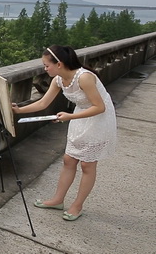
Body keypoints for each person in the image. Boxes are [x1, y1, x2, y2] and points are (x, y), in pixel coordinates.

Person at [11, 45, 117, 221]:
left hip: (99, 118)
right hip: (79, 115)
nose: (45, 69)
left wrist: (69, 116)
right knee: (69, 160)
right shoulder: (58, 80)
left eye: (46, 65)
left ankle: (77, 205)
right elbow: (43, 103)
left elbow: (100, 107)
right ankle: (58, 200)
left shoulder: (84, 78)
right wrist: (18, 111)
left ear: (59, 64)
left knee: (87, 165)